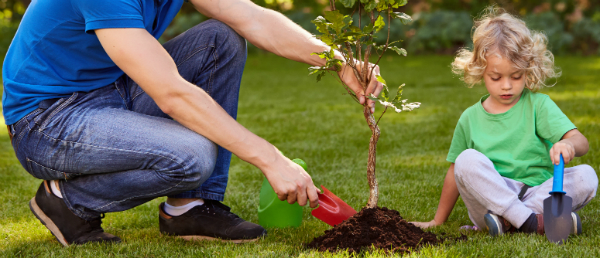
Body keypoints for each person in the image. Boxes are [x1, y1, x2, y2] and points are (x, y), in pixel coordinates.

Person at [2, 0, 384, 246]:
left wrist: (339, 61)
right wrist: (271, 159)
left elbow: (255, 18)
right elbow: (171, 93)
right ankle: (68, 202)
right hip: (48, 119)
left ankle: (190, 207)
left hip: (109, 89)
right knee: (190, 156)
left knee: (220, 39)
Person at [411, 8, 598, 237]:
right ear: (481, 71)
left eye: (516, 76)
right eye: (496, 78)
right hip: (491, 204)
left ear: (527, 70)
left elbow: (581, 142)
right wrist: (437, 220)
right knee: (465, 160)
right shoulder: (469, 118)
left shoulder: (538, 105)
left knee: (586, 175)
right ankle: (533, 222)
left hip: (536, 194)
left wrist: (569, 145)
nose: (507, 86)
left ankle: (514, 221)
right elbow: (456, 172)